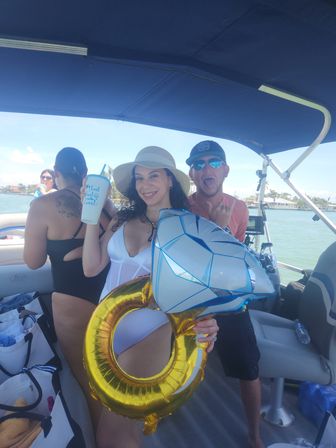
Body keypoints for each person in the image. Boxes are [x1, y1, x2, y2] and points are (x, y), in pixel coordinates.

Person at [82, 146, 219, 448]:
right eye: (140, 177)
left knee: (114, 433)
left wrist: (209, 324)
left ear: (171, 180)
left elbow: (199, 290)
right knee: (111, 421)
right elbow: (92, 267)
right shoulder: (120, 220)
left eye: (153, 176)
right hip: (104, 333)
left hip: (150, 334)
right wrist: (91, 216)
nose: (145, 185)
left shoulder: (186, 229)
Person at [24, 147, 116, 429]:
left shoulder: (43, 206)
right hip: (109, 296)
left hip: (71, 301)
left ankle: (105, 439)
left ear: (56, 173)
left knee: (88, 380)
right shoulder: (106, 205)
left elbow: (33, 262)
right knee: (114, 371)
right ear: (85, 174)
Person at [186, 140, 263, 448]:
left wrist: (224, 232)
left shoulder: (240, 208)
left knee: (248, 365)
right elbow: (189, 260)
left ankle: (255, 435)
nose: (207, 169)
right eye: (200, 163)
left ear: (226, 170)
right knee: (175, 360)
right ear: (192, 173)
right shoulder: (182, 208)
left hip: (228, 297)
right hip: (193, 298)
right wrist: (215, 227)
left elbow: (236, 255)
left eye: (214, 162)